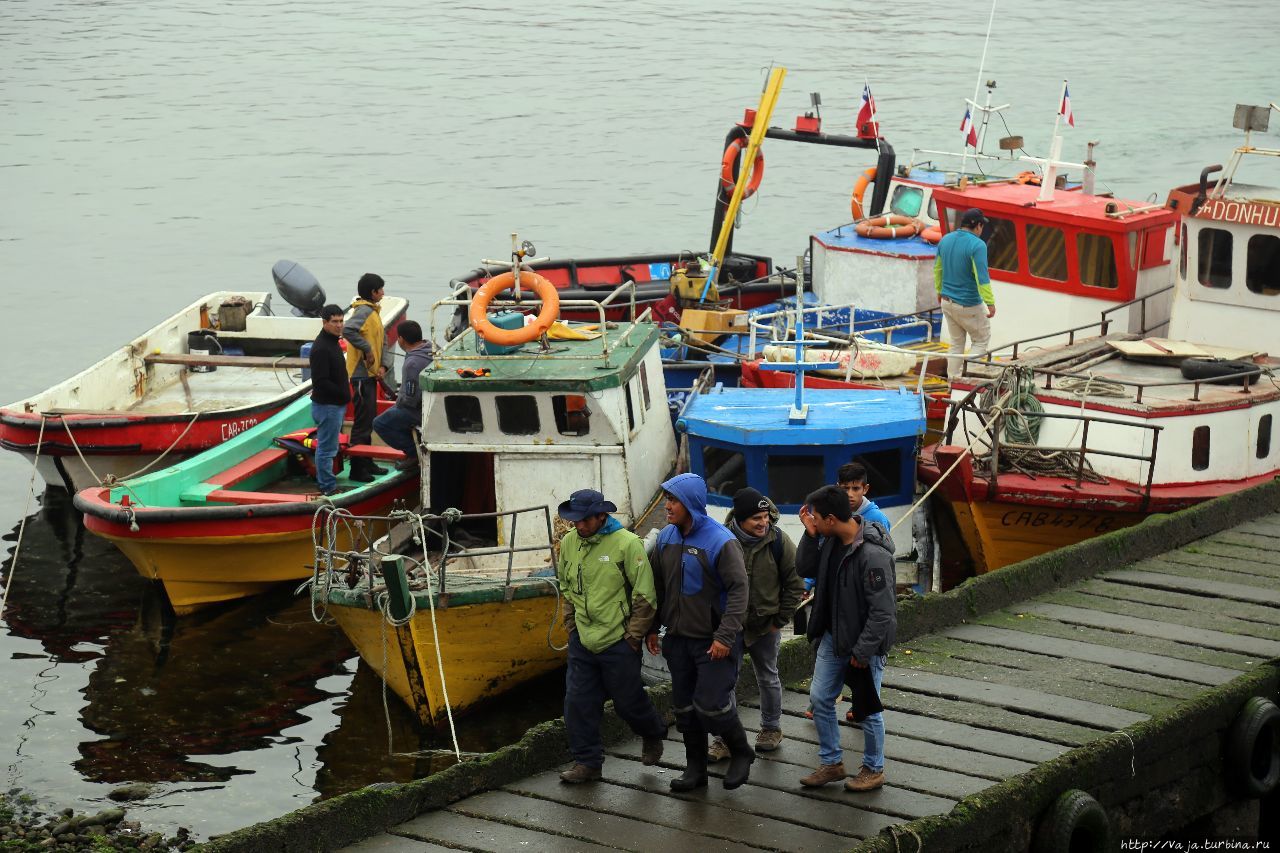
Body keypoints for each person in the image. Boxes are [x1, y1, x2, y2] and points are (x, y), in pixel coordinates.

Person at [644, 473, 752, 792]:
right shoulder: (666, 538)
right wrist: (652, 627)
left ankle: (742, 750)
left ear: (690, 503)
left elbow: (739, 591)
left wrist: (724, 636)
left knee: (711, 703)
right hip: (678, 638)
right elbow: (658, 586)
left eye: (673, 500)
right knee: (684, 708)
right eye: (667, 499)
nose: (667, 505)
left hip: (713, 640)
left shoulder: (720, 541)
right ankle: (696, 769)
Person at [555, 489, 667, 784]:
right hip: (582, 638)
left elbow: (645, 594)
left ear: (602, 516)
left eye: (584, 520)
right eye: (574, 520)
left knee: (627, 701)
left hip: (618, 639)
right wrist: (572, 626)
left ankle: (652, 732)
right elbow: (565, 586)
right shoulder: (568, 543)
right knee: (577, 702)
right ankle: (588, 762)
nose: (578, 525)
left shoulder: (627, 545)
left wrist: (633, 638)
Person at [796, 484, 897, 793]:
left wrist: (863, 650)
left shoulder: (873, 554)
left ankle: (874, 768)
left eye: (815, 517)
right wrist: (809, 535)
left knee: (867, 707)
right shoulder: (828, 539)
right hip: (832, 636)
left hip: (864, 644)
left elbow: (883, 611)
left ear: (830, 518)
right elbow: (805, 568)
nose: (811, 519)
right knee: (820, 698)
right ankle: (831, 762)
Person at [706, 487, 802, 761]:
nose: (763, 523)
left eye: (765, 517)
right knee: (725, 682)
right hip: (729, 626)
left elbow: (794, 583)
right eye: (756, 519)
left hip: (765, 625)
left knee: (768, 676)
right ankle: (723, 738)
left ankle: (771, 728)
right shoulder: (721, 541)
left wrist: (780, 620)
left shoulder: (778, 541)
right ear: (739, 519)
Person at [934, 207, 995, 379]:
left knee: (956, 344)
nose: (982, 230)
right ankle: (967, 380)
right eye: (982, 226)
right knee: (981, 340)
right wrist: (989, 303)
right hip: (968, 304)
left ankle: (952, 380)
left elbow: (937, 269)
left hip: (946, 301)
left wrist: (939, 291)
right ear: (977, 226)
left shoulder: (945, 239)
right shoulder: (978, 245)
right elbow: (982, 277)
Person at [343, 273, 389, 482]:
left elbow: (382, 340)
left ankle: (367, 461)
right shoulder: (363, 311)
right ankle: (357, 468)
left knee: (368, 420)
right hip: (361, 376)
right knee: (362, 424)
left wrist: (383, 365)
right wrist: (367, 350)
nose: (383, 293)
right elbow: (348, 330)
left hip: (370, 374)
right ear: (373, 292)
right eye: (381, 289)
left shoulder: (373, 312)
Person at [372, 320, 432, 471]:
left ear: (401, 339)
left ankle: (413, 453)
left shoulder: (412, 362)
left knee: (380, 423)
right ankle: (416, 443)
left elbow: (410, 399)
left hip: (418, 411)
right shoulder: (430, 348)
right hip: (430, 405)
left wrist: (399, 400)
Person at [308, 305, 352, 496]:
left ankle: (326, 483)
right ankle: (327, 486)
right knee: (326, 449)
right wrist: (343, 395)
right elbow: (321, 381)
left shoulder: (333, 342)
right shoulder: (321, 348)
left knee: (329, 446)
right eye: (334, 322)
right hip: (328, 406)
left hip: (333, 405)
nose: (339, 325)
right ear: (324, 322)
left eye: (341, 321)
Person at [837, 462, 891, 533]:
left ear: (865, 489)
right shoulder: (833, 515)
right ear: (838, 487)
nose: (850, 494)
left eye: (855, 488)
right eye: (845, 488)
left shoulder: (877, 519)